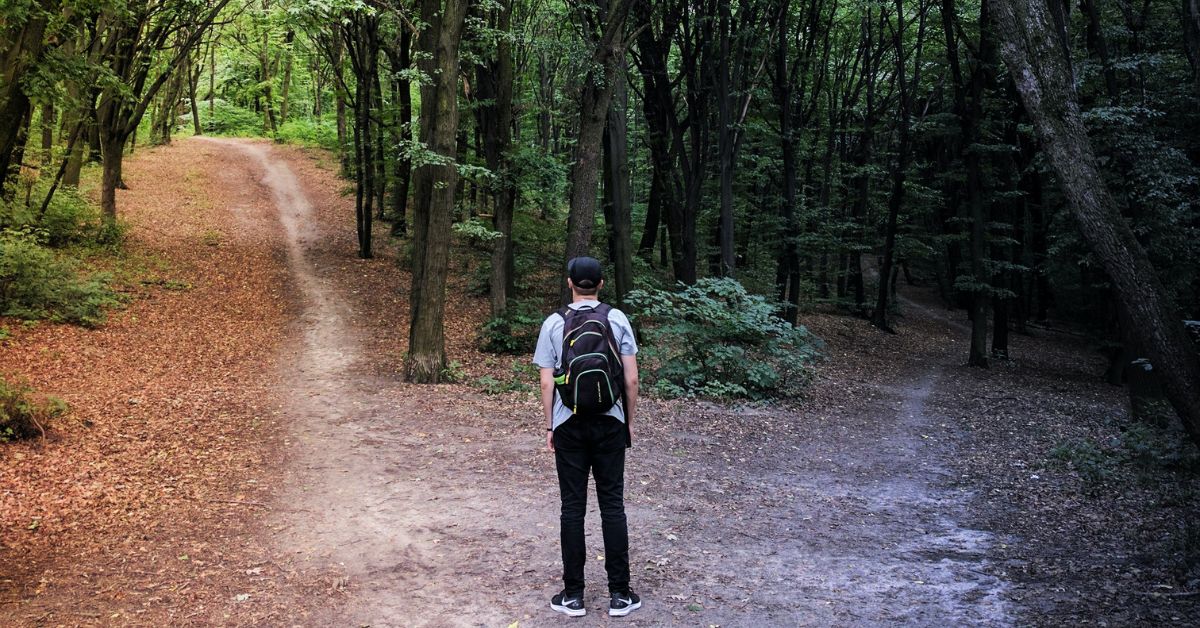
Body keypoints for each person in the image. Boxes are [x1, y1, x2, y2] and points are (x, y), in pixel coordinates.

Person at [533, 256, 642, 618]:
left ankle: (573, 596)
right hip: (610, 421)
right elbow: (631, 379)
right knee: (612, 505)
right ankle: (620, 595)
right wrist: (628, 421)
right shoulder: (617, 318)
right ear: (600, 283)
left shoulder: (553, 323)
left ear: (569, 283)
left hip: (569, 424)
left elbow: (547, 381)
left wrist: (551, 426)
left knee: (572, 507)